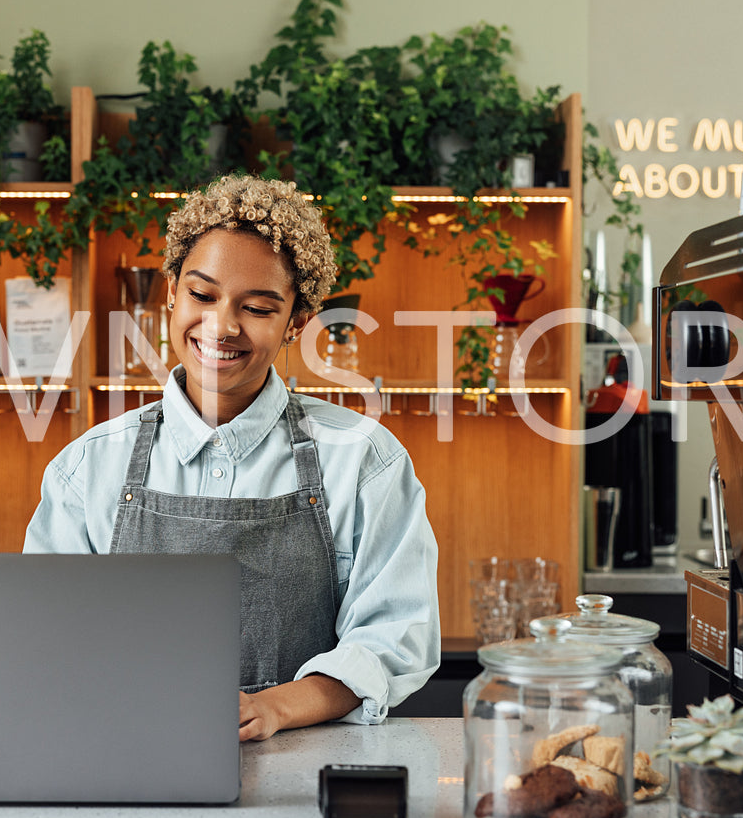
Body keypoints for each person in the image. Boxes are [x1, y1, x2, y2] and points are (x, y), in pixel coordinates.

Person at [24, 175, 440, 741]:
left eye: (259, 307)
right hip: (126, 755)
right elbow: (46, 636)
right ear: (170, 290)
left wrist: (276, 707)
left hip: (304, 769)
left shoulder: (364, 460)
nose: (221, 326)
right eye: (201, 295)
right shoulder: (86, 469)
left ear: (295, 321)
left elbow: (396, 635)